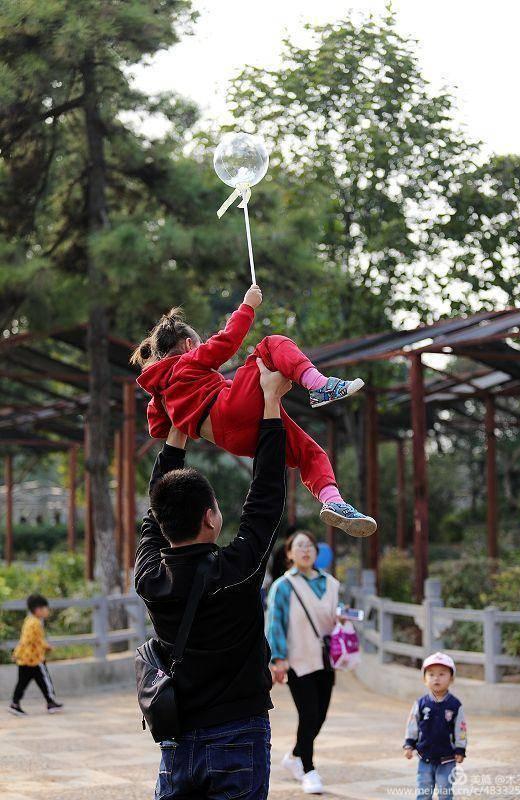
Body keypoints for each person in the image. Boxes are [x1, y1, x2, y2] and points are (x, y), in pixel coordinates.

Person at [135, 360, 289, 800]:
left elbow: (154, 514)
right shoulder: (233, 571)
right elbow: (266, 500)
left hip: (177, 742)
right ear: (210, 518)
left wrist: (178, 428)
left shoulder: (151, 578)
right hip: (239, 735)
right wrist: (272, 403)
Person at [132, 285, 377, 539]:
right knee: (272, 344)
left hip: (234, 441)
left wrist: (172, 404)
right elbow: (226, 342)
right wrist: (247, 306)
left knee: (309, 451)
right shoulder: (188, 361)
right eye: (200, 344)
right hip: (230, 409)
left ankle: (333, 502)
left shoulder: (159, 396)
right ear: (189, 344)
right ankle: (319, 385)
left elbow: (158, 429)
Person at [266, 530, 339, 795]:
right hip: (297, 660)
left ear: (316, 552)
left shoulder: (331, 584)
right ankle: (309, 770)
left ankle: (295, 756)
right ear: (289, 554)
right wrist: (278, 658)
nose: (305, 550)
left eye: (310, 545)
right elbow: (275, 623)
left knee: (319, 717)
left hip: (326, 659)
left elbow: (334, 618)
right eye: (299, 546)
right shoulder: (283, 586)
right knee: (308, 714)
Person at [403, 652, 467, 799]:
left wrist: (460, 748)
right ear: (424, 679)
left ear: (451, 678)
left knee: (445, 790)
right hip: (424, 756)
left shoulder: (455, 705)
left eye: (442, 674)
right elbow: (412, 725)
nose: (436, 678)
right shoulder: (421, 704)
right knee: (424, 790)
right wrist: (409, 744)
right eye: (431, 674)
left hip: (448, 757)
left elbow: (461, 728)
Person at [8, 593, 63, 716]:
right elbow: (37, 641)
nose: (47, 611)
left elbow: (24, 640)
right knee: (44, 681)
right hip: (35, 659)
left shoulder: (28, 621)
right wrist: (47, 647)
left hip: (24, 659)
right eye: (45, 608)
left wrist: (17, 653)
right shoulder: (36, 623)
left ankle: (15, 703)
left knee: (22, 683)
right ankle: (50, 702)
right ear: (38, 609)